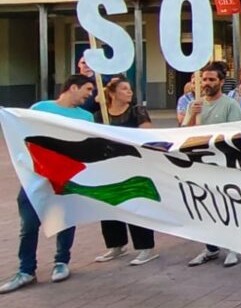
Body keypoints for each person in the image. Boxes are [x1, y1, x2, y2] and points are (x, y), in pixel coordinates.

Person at [0, 75, 96, 294]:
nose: (90, 94)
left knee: (66, 220)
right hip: (36, 177)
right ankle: (26, 270)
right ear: (73, 87)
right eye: (88, 89)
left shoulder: (87, 117)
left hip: (67, 178)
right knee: (29, 225)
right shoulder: (40, 108)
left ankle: (61, 262)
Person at [183, 64, 241, 268]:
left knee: (227, 205)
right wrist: (191, 115)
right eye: (204, 79)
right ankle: (211, 248)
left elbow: (236, 135)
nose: (207, 83)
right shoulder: (194, 105)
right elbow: (182, 134)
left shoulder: (230, 105)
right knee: (205, 207)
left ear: (221, 81)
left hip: (223, 163)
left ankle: (234, 247)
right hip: (201, 164)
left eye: (211, 79)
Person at [93, 78, 158, 267]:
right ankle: (116, 244)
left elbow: (146, 136)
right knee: (109, 205)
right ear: (112, 94)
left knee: (136, 204)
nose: (129, 92)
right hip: (109, 166)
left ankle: (145, 247)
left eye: (130, 89)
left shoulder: (137, 112)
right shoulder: (100, 115)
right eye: (124, 89)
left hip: (133, 164)